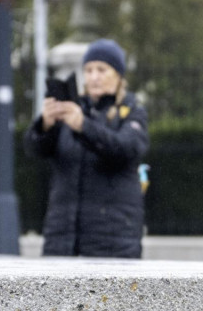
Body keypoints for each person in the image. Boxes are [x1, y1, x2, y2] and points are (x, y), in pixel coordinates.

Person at [27, 39, 149, 258]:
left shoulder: (132, 111)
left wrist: (84, 126)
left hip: (113, 241)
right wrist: (46, 125)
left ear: (119, 75)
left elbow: (124, 148)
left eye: (102, 70)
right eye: (89, 70)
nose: (94, 77)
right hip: (62, 238)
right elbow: (35, 149)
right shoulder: (72, 108)